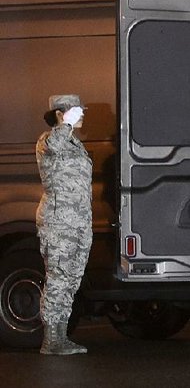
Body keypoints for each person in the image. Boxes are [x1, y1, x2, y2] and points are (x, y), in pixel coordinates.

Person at [36, 94, 93, 355]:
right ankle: (51, 340)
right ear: (62, 114)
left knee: (71, 278)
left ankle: (61, 336)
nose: (82, 115)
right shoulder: (48, 140)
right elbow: (53, 146)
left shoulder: (74, 143)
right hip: (59, 221)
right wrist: (65, 124)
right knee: (58, 277)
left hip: (79, 221)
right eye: (76, 111)